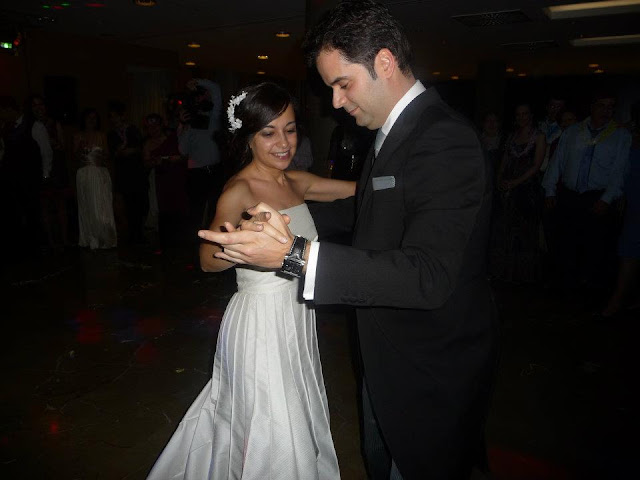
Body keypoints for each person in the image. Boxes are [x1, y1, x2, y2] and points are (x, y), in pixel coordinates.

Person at [198, 2, 498, 479]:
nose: (335, 102)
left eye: (342, 84)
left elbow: (429, 274)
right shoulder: (393, 132)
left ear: (384, 62)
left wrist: (294, 254)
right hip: (379, 353)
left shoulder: (441, 138)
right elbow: (373, 210)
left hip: (425, 364)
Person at [147, 82, 355, 480]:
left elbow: (357, 191)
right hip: (260, 321)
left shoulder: (295, 181)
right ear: (248, 137)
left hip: (297, 315)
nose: (283, 142)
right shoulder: (239, 190)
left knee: (290, 410)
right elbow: (206, 261)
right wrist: (243, 240)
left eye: (290, 129)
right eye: (269, 132)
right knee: (271, 422)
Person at [542, 91, 631, 290]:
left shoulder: (620, 135)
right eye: (602, 105)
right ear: (592, 107)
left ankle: (590, 288)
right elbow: (557, 162)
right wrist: (550, 190)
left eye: (610, 106)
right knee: (566, 242)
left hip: (597, 196)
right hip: (570, 195)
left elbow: (620, 170)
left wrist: (607, 199)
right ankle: (566, 285)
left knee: (596, 246)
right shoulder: (573, 132)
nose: (606, 110)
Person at [490, 103, 545, 283]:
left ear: (531, 115)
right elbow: (505, 161)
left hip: (527, 190)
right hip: (509, 189)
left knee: (525, 233)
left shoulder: (539, 136)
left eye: (525, 114)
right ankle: (505, 272)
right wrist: (499, 178)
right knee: (506, 230)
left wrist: (516, 182)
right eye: (518, 114)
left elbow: (536, 166)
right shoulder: (512, 136)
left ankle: (523, 275)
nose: (522, 117)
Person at [602, 100, 640, 316]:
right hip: (632, 200)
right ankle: (624, 298)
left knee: (629, 248)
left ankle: (618, 302)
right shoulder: (627, 135)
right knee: (628, 248)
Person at [177, 78, 224, 231]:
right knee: (195, 213)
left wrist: (196, 82)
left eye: (202, 97)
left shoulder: (213, 118)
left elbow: (216, 89)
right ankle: (194, 241)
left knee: (215, 211)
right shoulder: (187, 124)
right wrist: (184, 126)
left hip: (214, 170)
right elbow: (182, 151)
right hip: (196, 173)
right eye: (196, 99)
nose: (200, 100)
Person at [142, 113, 188, 249]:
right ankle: (166, 243)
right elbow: (145, 163)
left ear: (161, 126)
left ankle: (180, 240)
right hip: (161, 179)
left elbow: (184, 155)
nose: (153, 129)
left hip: (176, 177)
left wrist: (175, 159)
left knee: (178, 207)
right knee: (164, 210)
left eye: (155, 125)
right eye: (150, 127)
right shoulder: (147, 143)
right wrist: (154, 162)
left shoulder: (172, 138)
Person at [107, 100, 148, 245]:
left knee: (140, 203)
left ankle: (139, 232)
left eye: (115, 116)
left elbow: (139, 147)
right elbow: (114, 153)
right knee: (128, 205)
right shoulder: (112, 134)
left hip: (137, 173)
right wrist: (123, 151)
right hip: (123, 174)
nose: (113, 119)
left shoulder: (132, 129)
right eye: (111, 117)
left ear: (122, 116)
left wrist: (128, 150)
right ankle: (132, 234)